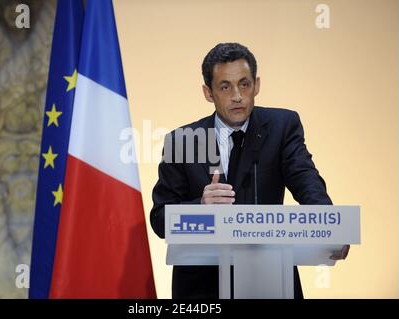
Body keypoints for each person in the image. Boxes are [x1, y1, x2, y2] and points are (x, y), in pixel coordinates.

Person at [150, 42, 349, 299]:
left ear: (256, 85)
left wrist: (329, 226)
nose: (237, 96)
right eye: (225, 86)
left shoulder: (282, 126)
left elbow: (306, 179)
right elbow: (160, 219)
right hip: (203, 288)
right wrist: (200, 207)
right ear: (208, 92)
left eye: (244, 84)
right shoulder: (182, 140)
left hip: (269, 278)